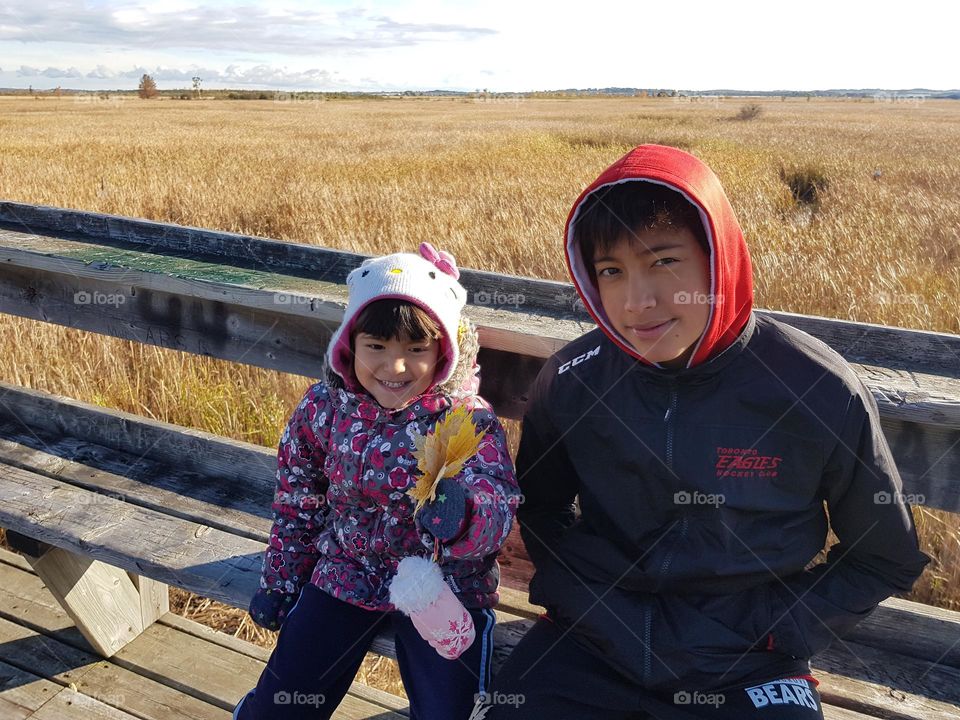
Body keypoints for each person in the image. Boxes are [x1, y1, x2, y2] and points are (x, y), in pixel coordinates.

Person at [483, 144, 929, 719]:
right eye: (611, 271)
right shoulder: (573, 379)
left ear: (719, 258)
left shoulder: (814, 388)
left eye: (664, 261)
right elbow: (540, 509)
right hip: (595, 645)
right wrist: (586, 601)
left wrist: (771, 628)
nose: (637, 301)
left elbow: (885, 557)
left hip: (746, 662)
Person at [234, 243, 519, 720]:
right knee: (286, 697)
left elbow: (497, 502)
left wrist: (465, 515)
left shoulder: (465, 420)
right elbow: (298, 501)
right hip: (348, 569)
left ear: (444, 352)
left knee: (450, 708)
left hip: (443, 583)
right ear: (350, 345)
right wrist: (281, 580)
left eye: (416, 349)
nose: (395, 367)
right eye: (376, 347)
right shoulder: (324, 409)